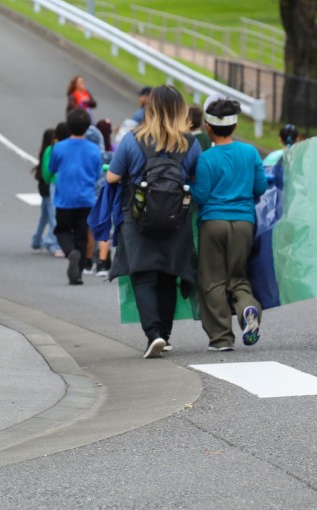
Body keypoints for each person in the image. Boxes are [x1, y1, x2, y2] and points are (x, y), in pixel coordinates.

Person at [106, 85, 201, 358]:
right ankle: (166, 336)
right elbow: (196, 177)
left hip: (138, 218)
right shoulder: (189, 143)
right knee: (168, 277)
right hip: (176, 219)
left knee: (143, 276)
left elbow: (113, 177)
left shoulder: (133, 140)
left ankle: (153, 334)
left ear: (151, 108)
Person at [191, 98, 267, 351]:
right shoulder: (250, 152)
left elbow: (200, 196)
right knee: (238, 277)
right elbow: (260, 187)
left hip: (213, 222)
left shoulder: (206, 158)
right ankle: (249, 308)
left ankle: (221, 338)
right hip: (244, 222)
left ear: (209, 128)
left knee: (212, 280)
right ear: (234, 127)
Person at [49, 108, 102, 285]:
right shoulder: (94, 149)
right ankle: (77, 274)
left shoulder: (59, 147)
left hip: (65, 198)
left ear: (69, 125)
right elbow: (96, 173)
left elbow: (52, 168)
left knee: (62, 230)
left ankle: (70, 252)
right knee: (81, 235)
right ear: (87, 127)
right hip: (86, 199)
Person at [31, 127, 62, 256]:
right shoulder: (49, 151)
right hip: (48, 189)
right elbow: (47, 173)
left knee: (44, 217)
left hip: (44, 188)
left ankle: (36, 241)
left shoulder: (45, 151)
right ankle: (53, 244)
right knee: (52, 217)